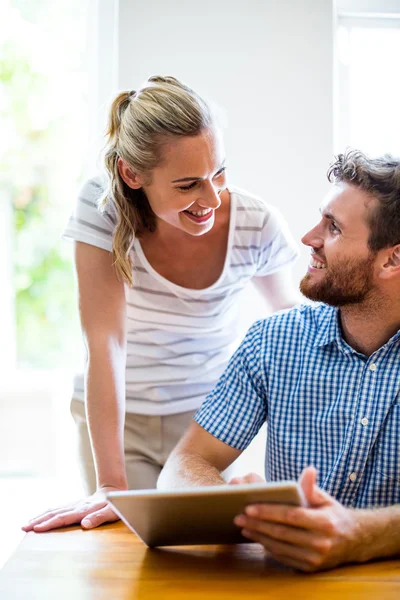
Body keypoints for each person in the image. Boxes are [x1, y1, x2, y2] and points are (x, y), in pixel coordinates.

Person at [22, 75, 299, 533]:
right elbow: (105, 342)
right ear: (133, 174)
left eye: (220, 173)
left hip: (206, 425)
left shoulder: (255, 222)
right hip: (119, 419)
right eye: (189, 184)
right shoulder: (103, 205)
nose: (211, 198)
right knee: (121, 553)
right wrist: (111, 484)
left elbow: (290, 318)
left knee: (207, 553)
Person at [158, 149, 400, 572]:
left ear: (392, 259)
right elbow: (183, 463)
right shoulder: (273, 342)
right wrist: (229, 503)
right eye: (320, 218)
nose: (309, 238)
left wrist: (363, 535)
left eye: (334, 228)